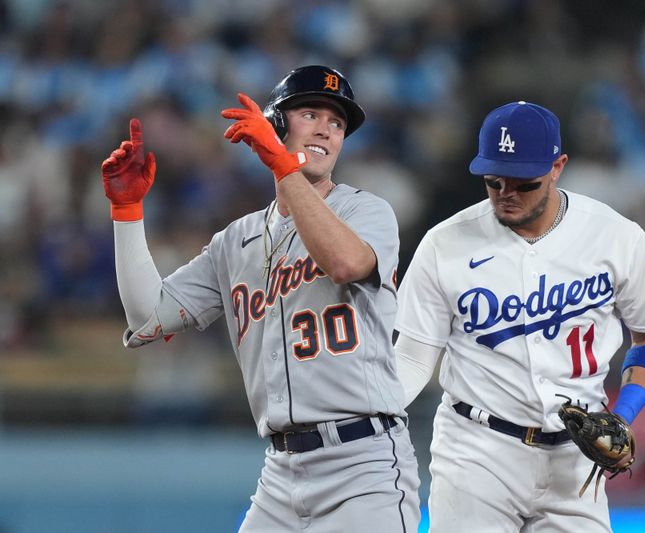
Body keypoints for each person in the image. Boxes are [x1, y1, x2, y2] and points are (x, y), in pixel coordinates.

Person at [101, 65, 420, 533]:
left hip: (363, 464)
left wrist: (283, 166)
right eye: (310, 113)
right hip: (280, 474)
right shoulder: (237, 241)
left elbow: (347, 263)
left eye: (337, 123)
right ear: (273, 124)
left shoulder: (365, 210)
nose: (325, 131)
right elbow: (149, 316)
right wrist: (127, 214)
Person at [393, 101, 645, 532]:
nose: (506, 192)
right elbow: (412, 358)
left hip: (576, 459)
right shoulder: (444, 244)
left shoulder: (616, 237)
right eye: (493, 181)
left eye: (523, 183)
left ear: (558, 166)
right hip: (476, 452)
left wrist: (625, 414)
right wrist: (369, 410)